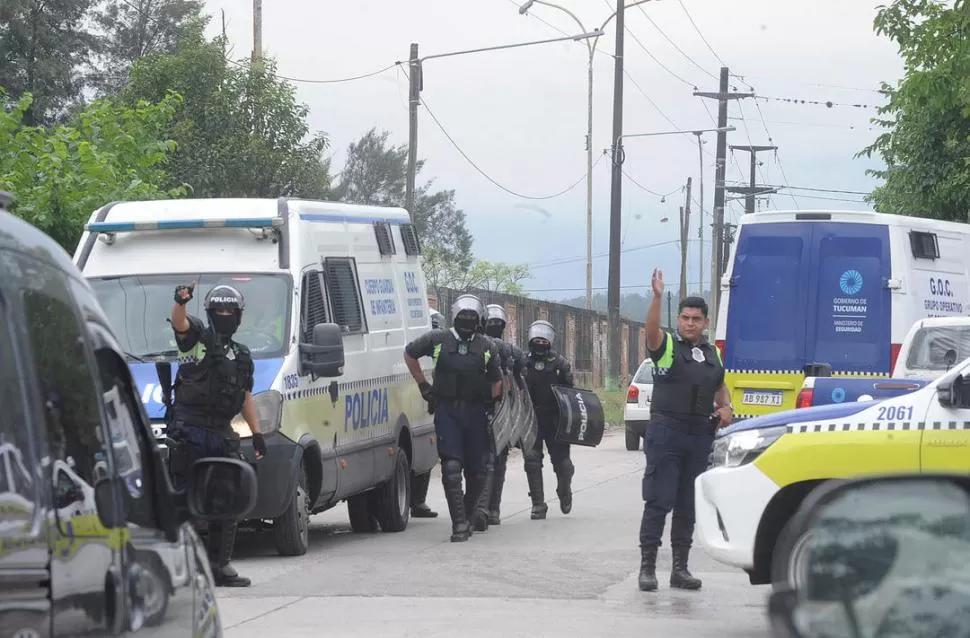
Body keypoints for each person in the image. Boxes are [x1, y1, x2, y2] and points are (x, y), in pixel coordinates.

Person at [637, 268, 733, 592]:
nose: (690, 323)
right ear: (678, 320)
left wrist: (727, 408)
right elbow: (650, 331)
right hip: (666, 433)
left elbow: (720, 386)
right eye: (685, 318)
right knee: (658, 501)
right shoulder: (666, 347)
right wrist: (656, 298)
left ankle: (680, 569)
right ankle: (647, 567)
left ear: (706, 322)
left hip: (699, 436)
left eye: (696, 318)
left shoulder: (712, 353)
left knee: (688, 505)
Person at [168, 282, 267, 587]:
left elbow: (246, 397)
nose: (225, 315)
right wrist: (181, 301)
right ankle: (179, 568)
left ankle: (219, 565)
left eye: (230, 311)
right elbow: (179, 323)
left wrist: (258, 433)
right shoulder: (196, 337)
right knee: (184, 501)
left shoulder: (241, 354)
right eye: (219, 310)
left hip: (222, 432)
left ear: (238, 316)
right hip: (190, 429)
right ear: (210, 313)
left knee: (227, 498)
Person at [403, 294, 503, 542]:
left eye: (471, 317)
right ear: (455, 317)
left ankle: (469, 514)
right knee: (451, 467)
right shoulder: (438, 340)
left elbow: (497, 380)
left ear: (479, 320)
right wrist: (423, 385)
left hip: (477, 412)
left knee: (478, 472)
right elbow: (409, 353)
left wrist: (493, 406)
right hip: (447, 410)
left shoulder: (487, 346)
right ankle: (458, 523)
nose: (467, 320)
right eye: (463, 316)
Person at [522, 319, 575, 521]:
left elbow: (570, 393)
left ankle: (565, 490)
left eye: (544, 339)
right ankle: (538, 503)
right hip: (532, 418)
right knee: (532, 461)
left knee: (563, 464)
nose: (540, 341)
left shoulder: (560, 364)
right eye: (537, 337)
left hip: (555, 419)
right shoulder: (523, 362)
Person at [481, 304, 526, 525]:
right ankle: (480, 508)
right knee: (480, 462)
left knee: (497, 460)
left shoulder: (510, 352)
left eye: (497, 325)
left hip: (501, 410)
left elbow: (520, 380)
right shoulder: (475, 346)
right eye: (491, 324)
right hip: (478, 408)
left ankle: (492, 508)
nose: (494, 327)